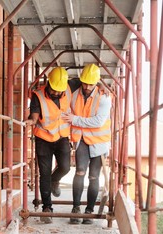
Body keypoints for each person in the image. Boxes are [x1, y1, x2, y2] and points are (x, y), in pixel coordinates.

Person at [26, 67, 81, 223]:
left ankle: (54, 180)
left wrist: (99, 86)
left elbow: (86, 82)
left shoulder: (69, 86)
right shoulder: (38, 95)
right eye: (54, 90)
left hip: (62, 137)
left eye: (60, 90)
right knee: (44, 174)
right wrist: (31, 121)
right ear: (49, 82)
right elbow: (34, 116)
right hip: (43, 138)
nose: (57, 93)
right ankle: (47, 208)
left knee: (66, 167)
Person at [62, 63, 111, 224]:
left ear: (97, 82)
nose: (87, 86)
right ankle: (76, 208)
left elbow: (98, 121)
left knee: (94, 176)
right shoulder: (75, 92)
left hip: (99, 142)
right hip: (81, 138)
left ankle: (89, 211)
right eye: (85, 83)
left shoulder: (104, 97)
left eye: (91, 83)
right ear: (81, 80)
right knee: (80, 171)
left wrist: (75, 119)